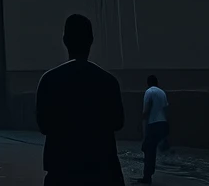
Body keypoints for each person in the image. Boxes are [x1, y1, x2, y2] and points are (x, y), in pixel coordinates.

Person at [34, 15, 123, 186]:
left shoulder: (49, 80)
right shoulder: (108, 81)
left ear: (65, 40)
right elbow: (118, 122)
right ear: (91, 40)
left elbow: (44, 126)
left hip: (61, 170)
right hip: (103, 169)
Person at [140, 76, 169, 183]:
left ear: (147, 83)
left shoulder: (149, 92)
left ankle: (147, 177)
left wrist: (144, 129)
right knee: (153, 150)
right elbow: (166, 110)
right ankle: (149, 174)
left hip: (153, 124)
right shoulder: (162, 93)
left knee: (148, 150)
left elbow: (146, 111)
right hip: (162, 123)